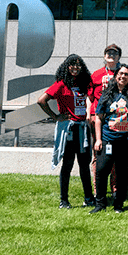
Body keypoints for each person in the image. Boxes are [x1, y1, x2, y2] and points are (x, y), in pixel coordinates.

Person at [37, 53, 94, 209]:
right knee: (67, 164)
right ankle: (64, 200)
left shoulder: (85, 83)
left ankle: (89, 198)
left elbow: (91, 98)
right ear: (66, 66)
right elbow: (41, 100)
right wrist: (55, 116)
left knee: (84, 164)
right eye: (72, 64)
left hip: (83, 128)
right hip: (69, 129)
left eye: (78, 65)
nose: (75, 68)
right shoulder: (61, 84)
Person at [91, 63, 128, 213]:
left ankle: (119, 205)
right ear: (116, 76)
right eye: (121, 73)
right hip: (107, 139)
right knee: (101, 170)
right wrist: (98, 140)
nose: (123, 76)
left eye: (126, 74)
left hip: (125, 141)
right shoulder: (107, 94)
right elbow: (98, 118)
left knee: (122, 173)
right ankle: (100, 204)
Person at [88, 44, 121, 197]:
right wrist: (90, 113)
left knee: (115, 155)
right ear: (104, 56)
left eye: (114, 53)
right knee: (98, 153)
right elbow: (90, 96)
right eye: (108, 52)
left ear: (119, 57)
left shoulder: (122, 74)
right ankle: (97, 189)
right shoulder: (96, 74)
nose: (111, 55)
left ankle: (115, 188)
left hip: (116, 119)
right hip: (98, 118)